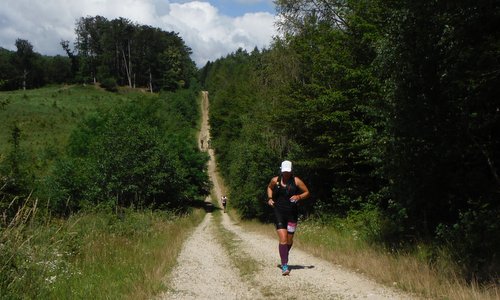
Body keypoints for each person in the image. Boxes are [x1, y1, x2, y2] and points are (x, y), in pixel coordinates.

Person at [267, 160, 309, 275]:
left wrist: (299, 196)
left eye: (288, 172)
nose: (286, 174)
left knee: (289, 241)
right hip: (279, 212)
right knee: (283, 239)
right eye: (284, 171)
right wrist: (270, 198)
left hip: (292, 213)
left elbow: (307, 192)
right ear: (281, 170)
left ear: (291, 171)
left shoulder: (296, 181)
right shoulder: (275, 180)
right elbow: (269, 188)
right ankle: (285, 265)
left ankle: (284, 253)